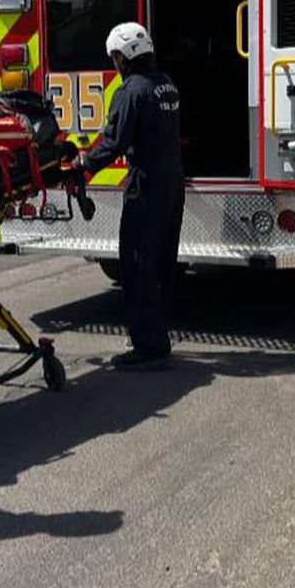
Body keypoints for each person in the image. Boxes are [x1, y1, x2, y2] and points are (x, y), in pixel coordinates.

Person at [78, 22, 184, 370]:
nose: (114, 64)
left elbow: (115, 141)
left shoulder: (131, 91)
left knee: (136, 263)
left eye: (114, 58)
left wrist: (84, 165)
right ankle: (157, 330)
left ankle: (149, 346)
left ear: (123, 58)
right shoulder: (165, 84)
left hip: (148, 183)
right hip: (172, 181)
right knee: (162, 261)